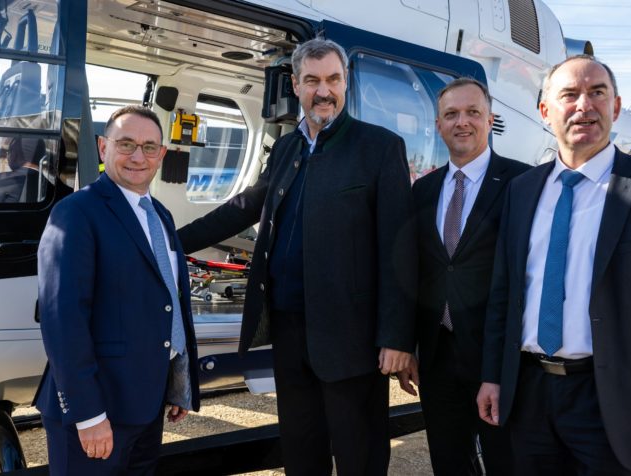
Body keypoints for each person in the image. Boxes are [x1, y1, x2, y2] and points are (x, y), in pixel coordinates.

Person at [178, 38, 417, 476]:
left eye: (332, 80)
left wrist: (398, 338)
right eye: (312, 80)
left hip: (352, 339)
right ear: (296, 84)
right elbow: (244, 206)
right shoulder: (287, 148)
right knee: (301, 452)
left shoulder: (379, 148)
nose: (322, 91)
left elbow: (399, 250)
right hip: (289, 331)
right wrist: (169, 241)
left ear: (346, 83)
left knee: (358, 455)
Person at [477, 55, 631, 475]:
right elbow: (503, 294)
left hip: (614, 401)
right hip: (528, 394)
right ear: (545, 112)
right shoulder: (522, 190)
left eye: (597, 92)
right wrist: (493, 375)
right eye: (569, 95)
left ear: (615, 107)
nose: (584, 105)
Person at [36, 105, 199, 475]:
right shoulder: (76, 213)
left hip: (146, 403)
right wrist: (88, 413)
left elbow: (167, 301)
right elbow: (62, 319)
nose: (138, 156)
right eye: (126, 144)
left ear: (161, 155)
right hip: (99, 408)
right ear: (103, 147)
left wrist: (177, 381)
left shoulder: (159, 214)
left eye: (149, 146)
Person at [396, 78, 529, 475]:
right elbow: (415, 272)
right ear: (438, 125)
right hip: (438, 359)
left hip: (500, 359)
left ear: (490, 120)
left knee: (507, 463)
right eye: (451, 114)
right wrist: (408, 345)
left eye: (473, 112)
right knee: (450, 463)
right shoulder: (423, 190)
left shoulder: (522, 184)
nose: (462, 122)